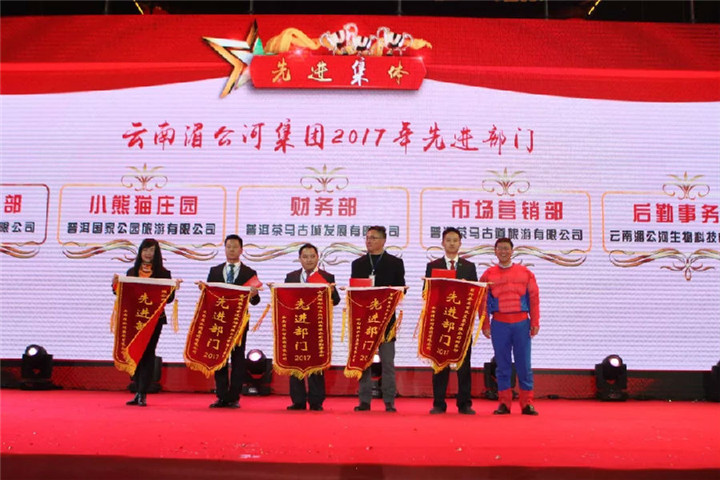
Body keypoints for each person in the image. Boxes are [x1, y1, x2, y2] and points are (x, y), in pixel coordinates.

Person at [480, 237, 540, 415]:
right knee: (502, 365)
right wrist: (485, 324)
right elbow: (482, 302)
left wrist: (535, 322)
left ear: (512, 251)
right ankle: (504, 403)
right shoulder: (488, 274)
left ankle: (527, 403)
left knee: (524, 364)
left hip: (521, 323)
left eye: (506, 248)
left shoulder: (525, 273)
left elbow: (534, 299)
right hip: (499, 324)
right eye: (500, 248)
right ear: (495, 251)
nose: (503, 252)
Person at [114, 238, 176, 407]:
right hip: (135, 319)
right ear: (140, 252)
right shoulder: (132, 272)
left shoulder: (163, 273)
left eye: (152, 251)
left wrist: (172, 288)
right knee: (135, 352)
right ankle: (136, 388)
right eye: (145, 250)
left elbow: (170, 299)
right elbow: (124, 294)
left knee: (148, 353)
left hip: (154, 320)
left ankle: (142, 392)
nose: (148, 254)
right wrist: (116, 285)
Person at [350, 226, 406, 412]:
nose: (369, 241)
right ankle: (364, 400)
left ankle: (389, 400)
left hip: (386, 320)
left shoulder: (395, 263)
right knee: (363, 361)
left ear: (383, 240)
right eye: (367, 238)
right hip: (364, 320)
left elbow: (401, 290)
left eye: (373, 238)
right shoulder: (358, 264)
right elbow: (354, 290)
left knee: (387, 362)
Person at [424, 227, 477, 415]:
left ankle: (464, 404)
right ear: (442, 243)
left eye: (455, 240)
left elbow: (474, 294)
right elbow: (426, 293)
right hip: (441, 322)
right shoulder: (433, 266)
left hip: (461, 323)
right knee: (439, 364)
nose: (452, 243)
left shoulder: (469, 267)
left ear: (460, 243)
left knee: (464, 365)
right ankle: (439, 403)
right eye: (448, 240)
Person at [284, 243, 341, 411]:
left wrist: (331, 292)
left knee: (316, 364)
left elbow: (336, 301)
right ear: (299, 259)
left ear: (318, 257)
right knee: (296, 363)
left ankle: (316, 401)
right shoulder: (291, 277)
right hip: (297, 326)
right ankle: (298, 400)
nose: (309, 260)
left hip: (317, 327)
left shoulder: (327, 277)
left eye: (312, 256)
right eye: (305, 257)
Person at [207, 234, 261, 409]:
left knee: (238, 359)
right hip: (219, 321)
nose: (231, 250)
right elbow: (210, 297)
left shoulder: (249, 273)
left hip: (239, 322)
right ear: (224, 249)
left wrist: (254, 295)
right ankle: (221, 395)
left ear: (241, 250)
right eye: (228, 246)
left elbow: (255, 301)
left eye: (235, 247)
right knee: (219, 358)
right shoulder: (214, 271)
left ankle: (234, 396)